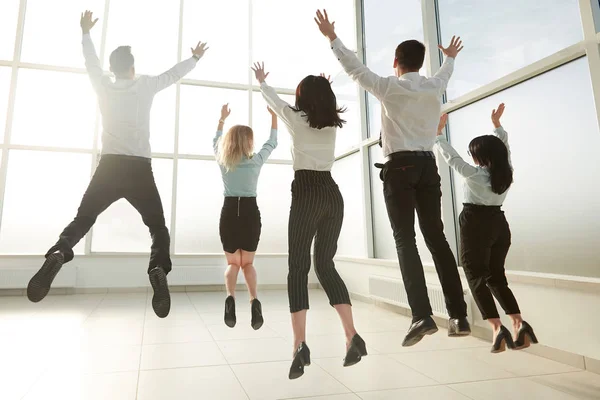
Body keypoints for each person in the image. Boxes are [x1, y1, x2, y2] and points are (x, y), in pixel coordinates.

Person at [26, 10, 208, 319]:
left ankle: (60, 251)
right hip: (139, 169)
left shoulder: (103, 85)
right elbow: (172, 75)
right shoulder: (145, 85)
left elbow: (90, 63)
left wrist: (85, 32)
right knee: (157, 227)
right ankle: (156, 268)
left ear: (112, 68)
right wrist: (194, 58)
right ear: (132, 68)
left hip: (108, 167)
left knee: (83, 219)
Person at [315, 9, 470, 347]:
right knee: (438, 240)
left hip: (399, 168)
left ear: (397, 62)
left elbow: (354, 69)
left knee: (405, 241)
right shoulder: (433, 87)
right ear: (419, 62)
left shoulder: (389, 87)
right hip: (429, 166)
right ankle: (458, 315)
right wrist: (451, 58)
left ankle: (422, 315)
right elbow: (444, 74)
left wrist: (332, 37)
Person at [251, 62, 366, 379]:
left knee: (298, 267)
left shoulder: (296, 119)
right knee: (325, 265)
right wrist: (323, 88)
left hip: (307, 193)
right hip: (332, 194)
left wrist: (262, 80)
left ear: (303, 99)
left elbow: (275, 101)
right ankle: (351, 335)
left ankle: (299, 345)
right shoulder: (331, 123)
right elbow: (319, 103)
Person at [435, 104, 538, 353]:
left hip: (476, 221)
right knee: (496, 276)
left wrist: (438, 133)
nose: (471, 158)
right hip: (499, 225)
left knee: (474, 273)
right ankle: (518, 324)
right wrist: (497, 126)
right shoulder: (505, 171)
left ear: (481, 158)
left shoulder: (475, 175)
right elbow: (505, 148)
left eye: (474, 155)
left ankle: (496, 328)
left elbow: (452, 158)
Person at [213, 103, 278, 330]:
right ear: (248, 141)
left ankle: (230, 299)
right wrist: (273, 118)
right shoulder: (255, 161)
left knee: (233, 263)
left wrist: (222, 120)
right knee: (247, 263)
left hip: (229, 212)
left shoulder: (224, 161)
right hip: (250, 212)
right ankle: (254, 301)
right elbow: (272, 143)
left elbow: (215, 143)